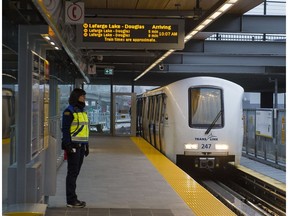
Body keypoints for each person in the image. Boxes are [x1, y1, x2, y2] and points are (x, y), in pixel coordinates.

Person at [61, 88, 89, 208]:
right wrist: (67, 145)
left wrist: (87, 145)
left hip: (81, 147)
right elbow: (66, 129)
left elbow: (84, 130)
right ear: (76, 97)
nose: (84, 98)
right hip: (73, 147)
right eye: (82, 96)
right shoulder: (69, 111)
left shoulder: (82, 111)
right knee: (72, 173)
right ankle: (71, 200)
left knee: (75, 173)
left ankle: (73, 198)